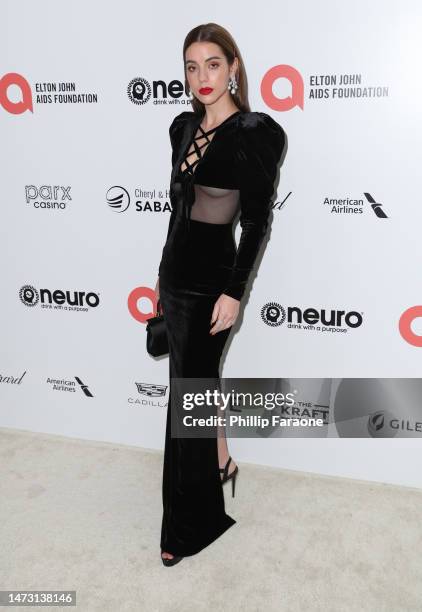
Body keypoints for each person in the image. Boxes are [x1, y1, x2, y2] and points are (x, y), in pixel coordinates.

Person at [155, 23, 287, 567]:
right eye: (191, 66)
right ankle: (222, 461)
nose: (201, 76)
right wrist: (159, 276)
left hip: (214, 289)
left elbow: (256, 224)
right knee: (198, 388)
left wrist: (234, 293)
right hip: (174, 279)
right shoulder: (181, 127)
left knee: (186, 399)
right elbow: (178, 215)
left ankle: (187, 526)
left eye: (212, 64)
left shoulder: (256, 133)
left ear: (233, 67)